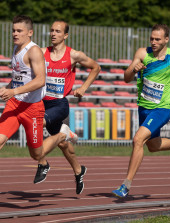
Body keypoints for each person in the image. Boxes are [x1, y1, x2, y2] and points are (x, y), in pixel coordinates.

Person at [0, 15, 75, 204]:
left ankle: (62, 134)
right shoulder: (16, 49)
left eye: (19, 31)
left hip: (32, 109)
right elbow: (20, 76)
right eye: (13, 30)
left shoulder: (34, 51)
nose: (15, 34)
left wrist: (13, 90)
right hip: (14, 105)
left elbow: (40, 80)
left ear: (30, 33)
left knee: (36, 154)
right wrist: (8, 87)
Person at [111, 24, 170, 198]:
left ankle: (125, 185)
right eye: (152, 38)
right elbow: (126, 78)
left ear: (166, 39)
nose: (154, 42)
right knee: (152, 145)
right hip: (143, 108)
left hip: (162, 108)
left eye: (158, 39)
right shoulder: (142, 54)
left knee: (138, 140)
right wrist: (133, 69)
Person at [33, 20, 101, 194]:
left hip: (59, 104)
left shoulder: (74, 55)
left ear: (65, 35)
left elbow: (95, 67)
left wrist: (83, 88)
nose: (53, 34)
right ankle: (79, 171)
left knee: (37, 125)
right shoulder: (41, 52)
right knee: (63, 145)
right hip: (42, 102)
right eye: (51, 30)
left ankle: (43, 163)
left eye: (57, 31)